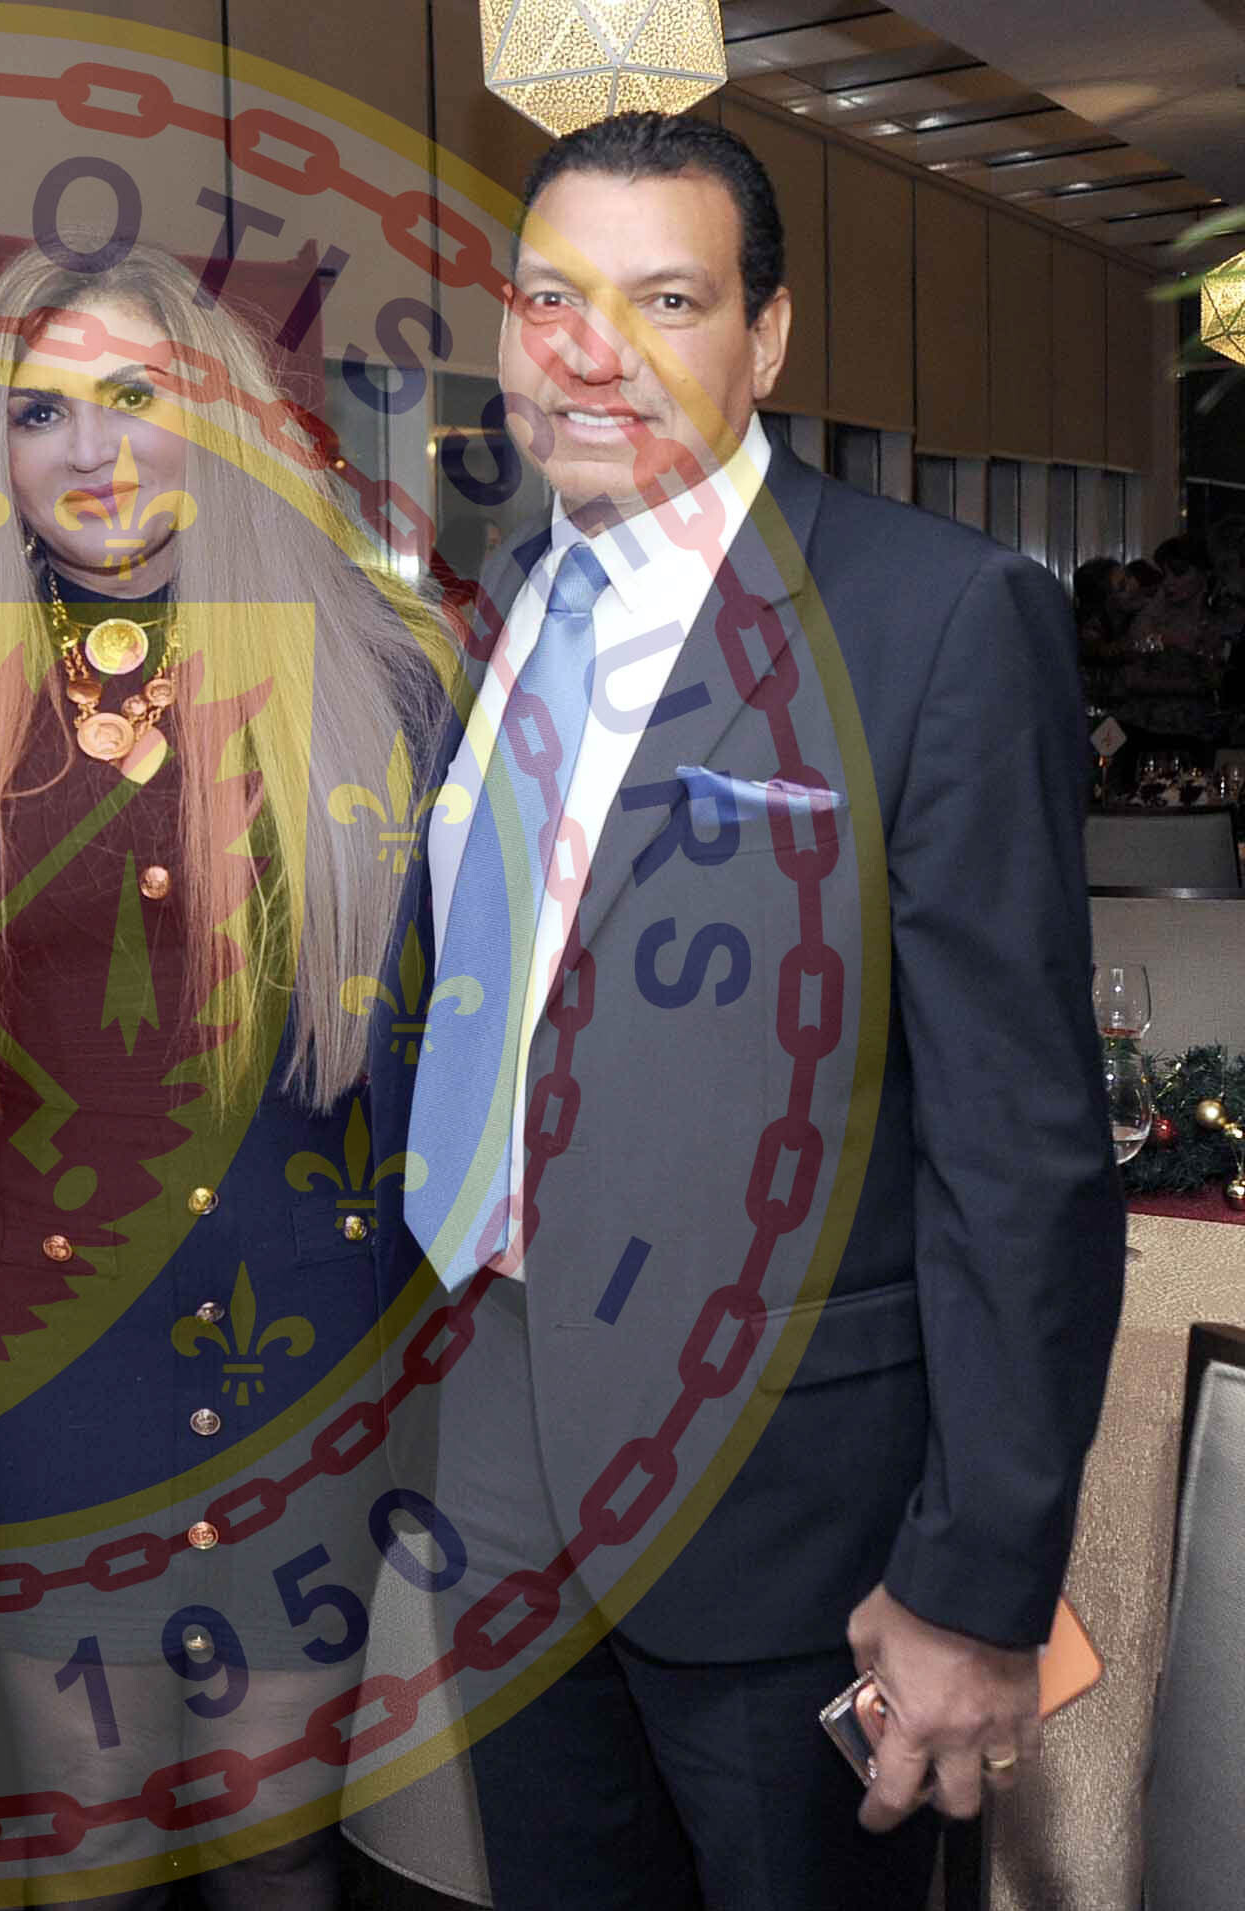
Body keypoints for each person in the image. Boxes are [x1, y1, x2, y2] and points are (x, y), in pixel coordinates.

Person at [374, 111, 1121, 1910]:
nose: (594, 353)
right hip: (498, 1476)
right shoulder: (497, 604)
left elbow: (1022, 1151)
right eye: (552, 300)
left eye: (667, 300)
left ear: (765, 337)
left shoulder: (936, 618)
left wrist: (975, 1579)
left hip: (794, 1522)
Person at [0, 246, 433, 1907]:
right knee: (90, 1837)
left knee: (275, 1847)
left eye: (133, 398)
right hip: (34, 1358)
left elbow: (468, 1035)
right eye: (39, 415)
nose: (89, 452)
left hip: (312, 1342)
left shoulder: (378, 676)